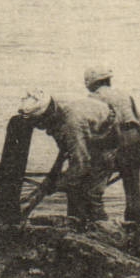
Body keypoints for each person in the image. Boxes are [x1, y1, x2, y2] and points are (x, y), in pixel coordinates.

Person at [19, 91, 120, 224]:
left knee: (91, 194)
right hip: (90, 128)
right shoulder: (54, 109)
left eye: (37, 123)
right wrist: (49, 181)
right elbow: (64, 152)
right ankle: (78, 223)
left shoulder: (71, 123)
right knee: (74, 186)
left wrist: (53, 186)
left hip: (108, 136)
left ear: (44, 117)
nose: (37, 127)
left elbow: (81, 165)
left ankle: (105, 229)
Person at [86, 66, 140, 223]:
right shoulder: (124, 94)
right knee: (132, 185)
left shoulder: (94, 97)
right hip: (133, 138)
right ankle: (135, 223)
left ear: (92, 83)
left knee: (96, 184)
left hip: (113, 138)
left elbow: (94, 127)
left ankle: (100, 223)